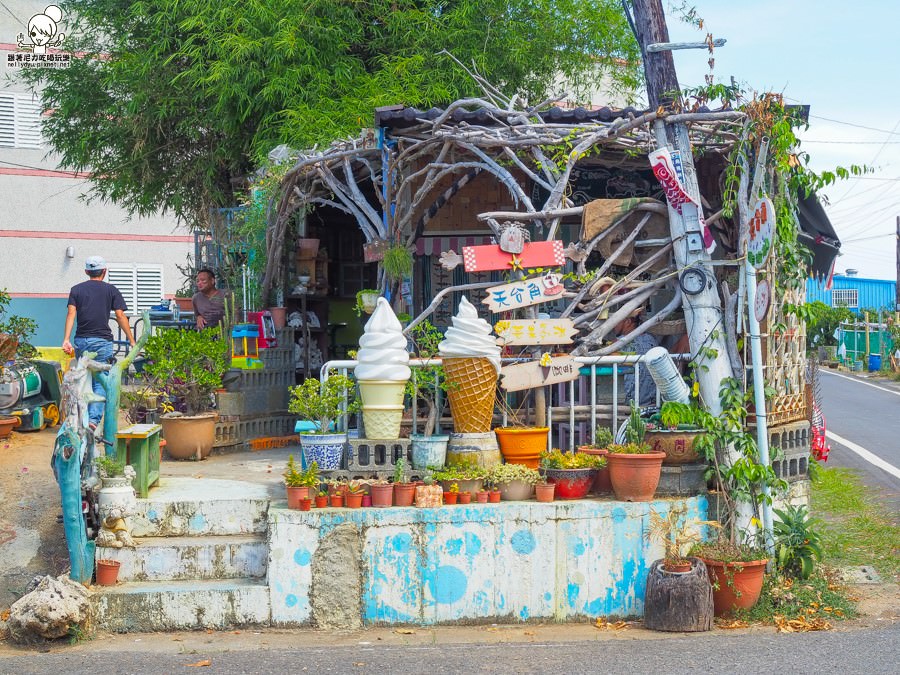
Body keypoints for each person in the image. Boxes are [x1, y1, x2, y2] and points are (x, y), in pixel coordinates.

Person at [62, 256, 136, 430]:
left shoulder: (76, 290)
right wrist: (132, 340)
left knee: (85, 378)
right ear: (104, 271)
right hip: (102, 341)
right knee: (101, 380)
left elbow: (71, 315)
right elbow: (120, 316)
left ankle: (81, 418)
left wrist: (66, 339)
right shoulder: (111, 290)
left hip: (81, 341)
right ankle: (94, 421)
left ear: (87, 272)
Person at [614, 311, 659, 407]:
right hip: (653, 399)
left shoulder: (623, 342)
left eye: (616, 321)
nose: (614, 326)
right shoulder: (650, 339)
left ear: (628, 322)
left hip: (632, 402)